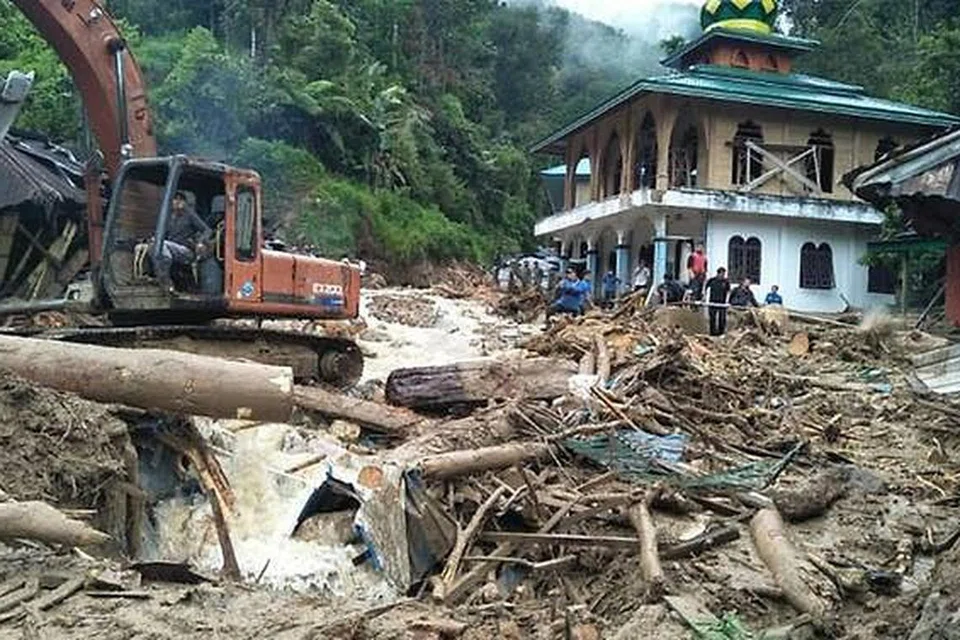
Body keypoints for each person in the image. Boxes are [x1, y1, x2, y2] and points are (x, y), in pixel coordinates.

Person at [155, 191, 211, 292]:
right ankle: (160, 278)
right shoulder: (168, 217)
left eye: (181, 199)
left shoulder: (189, 215)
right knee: (156, 245)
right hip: (170, 249)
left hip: (185, 250)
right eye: (175, 199)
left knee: (162, 246)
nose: (178, 202)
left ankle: (166, 280)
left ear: (185, 202)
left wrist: (200, 242)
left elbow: (207, 230)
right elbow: (162, 234)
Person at [705, 268, 732, 336]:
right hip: (712, 302)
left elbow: (729, 292)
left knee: (722, 318)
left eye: (724, 274)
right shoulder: (712, 280)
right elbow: (705, 288)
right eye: (721, 274)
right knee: (712, 318)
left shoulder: (726, 282)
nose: (723, 275)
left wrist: (727, 301)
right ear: (718, 273)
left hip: (722, 303)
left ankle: (721, 332)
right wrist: (704, 297)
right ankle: (712, 332)